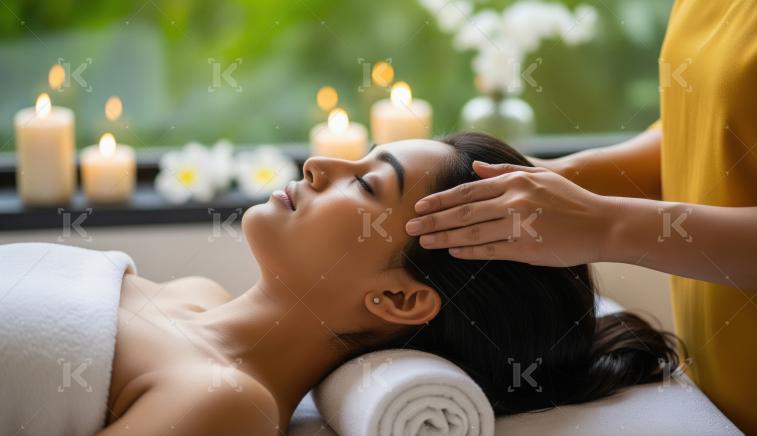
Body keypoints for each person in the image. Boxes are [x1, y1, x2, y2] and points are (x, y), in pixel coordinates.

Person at [99, 135, 677, 435]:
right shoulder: (194, 294)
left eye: (367, 185)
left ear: (400, 298)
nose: (318, 164)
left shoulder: (223, 403)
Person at [405, 2, 757, 433]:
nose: (317, 170)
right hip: (720, 398)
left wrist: (608, 226)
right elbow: (717, 125)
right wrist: (547, 176)